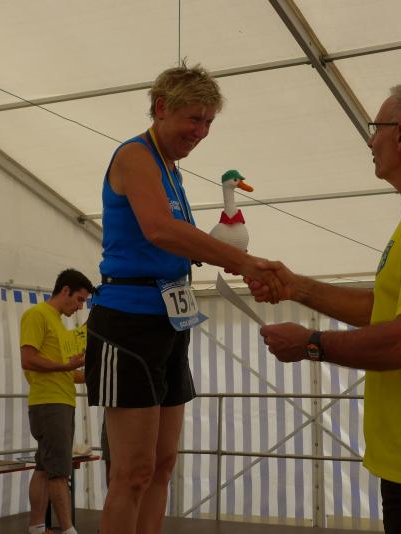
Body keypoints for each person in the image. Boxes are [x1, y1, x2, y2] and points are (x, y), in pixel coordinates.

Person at [248, 83, 401, 534]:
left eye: (375, 128)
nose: (370, 141)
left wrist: (310, 345)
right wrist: (296, 287)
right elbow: (386, 310)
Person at [84, 62, 281, 534]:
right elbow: (160, 229)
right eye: (194, 119)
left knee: (162, 465)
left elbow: (175, 241)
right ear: (160, 108)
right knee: (131, 472)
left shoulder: (172, 170)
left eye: (208, 122)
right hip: (128, 323)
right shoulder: (135, 156)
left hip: (170, 321)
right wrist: (244, 262)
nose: (201, 131)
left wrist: (222, 251)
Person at [20, 269, 95, 534]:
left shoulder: (58, 322)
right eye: (79, 299)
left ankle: (37, 526)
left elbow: (65, 372)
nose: (80, 307)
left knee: (44, 467)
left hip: (57, 401)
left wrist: (93, 375)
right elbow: (28, 360)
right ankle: (67, 529)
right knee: (59, 472)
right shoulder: (37, 315)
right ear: (65, 290)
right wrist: (66, 366)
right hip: (50, 403)